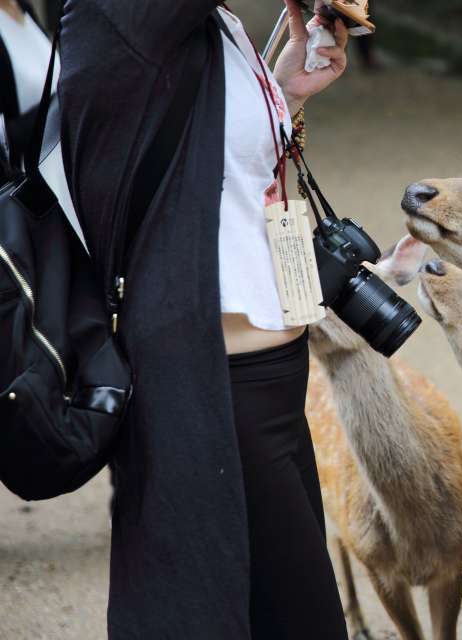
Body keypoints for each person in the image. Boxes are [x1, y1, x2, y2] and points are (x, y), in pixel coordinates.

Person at [59, 1, 352, 637]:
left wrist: (284, 95)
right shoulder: (121, 13)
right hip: (209, 384)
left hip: (269, 377)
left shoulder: (212, 24)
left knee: (275, 612)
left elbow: (217, 171)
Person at [0, 0, 55, 172]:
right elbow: (4, 141)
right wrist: (60, 105)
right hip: (31, 183)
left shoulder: (24, 9)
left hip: (62, 166)